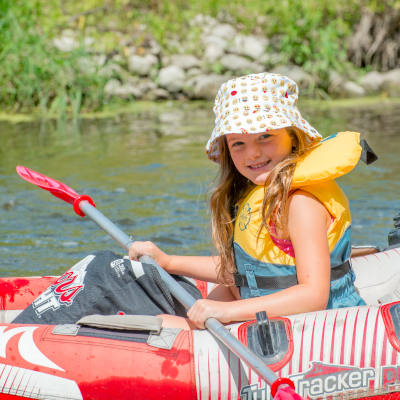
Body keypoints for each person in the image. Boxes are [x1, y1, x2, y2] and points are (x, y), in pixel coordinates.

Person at [129, 72, 366, 330]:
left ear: (293, 136)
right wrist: (168, 261)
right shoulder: (256, 193)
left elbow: (313, 296)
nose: (252, 153)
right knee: (168, 322)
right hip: (264, 314)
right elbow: (245, 270)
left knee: (169, 326)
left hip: (320, 327)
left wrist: (227, 312)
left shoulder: (301, 203)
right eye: (238, 142)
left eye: (265, 136)